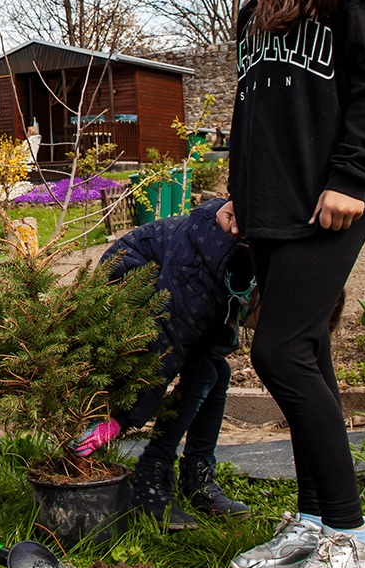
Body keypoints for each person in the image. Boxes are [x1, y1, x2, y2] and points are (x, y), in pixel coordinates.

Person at [205, 0, 365, 568]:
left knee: (278, 351)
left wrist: (354, 175)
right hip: (274, 207)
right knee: (307, 349)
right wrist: (239, 195)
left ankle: (354, 535)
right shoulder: (254, 14)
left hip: (331, 200)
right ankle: (315, 519)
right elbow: (251, 114)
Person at [71, 198, 255, 530]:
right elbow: (162, 349)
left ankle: (198, 477)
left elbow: (219, 317)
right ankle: (149, 480)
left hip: (174, 292)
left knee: (215, 369)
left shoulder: (237, 265)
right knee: (203, 372)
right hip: (132, 283)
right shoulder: (199, 273)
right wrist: (120, 419)